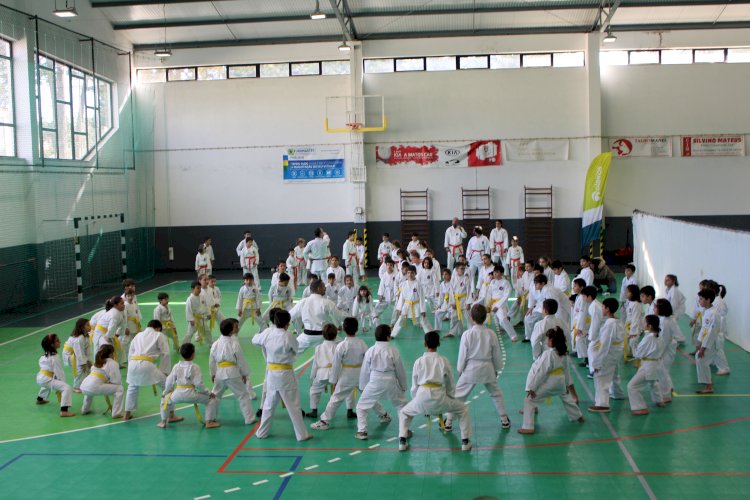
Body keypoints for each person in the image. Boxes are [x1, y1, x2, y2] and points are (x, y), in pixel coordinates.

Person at [399, 330, 472, 452]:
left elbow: (414, 386)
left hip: (421, 398)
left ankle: (402, 440)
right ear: (439, 344)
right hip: (441, 399)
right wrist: (450, 397)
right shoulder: (443, 361)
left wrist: (416, 400)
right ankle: (465, 441)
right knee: (463, 409)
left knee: (404, 413)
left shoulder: (418, 361)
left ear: (424, 344)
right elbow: (450, 383)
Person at [447, 304, 509, 431]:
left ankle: (448, 422)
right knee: (496, 394)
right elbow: (496, 353)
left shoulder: (467, 334)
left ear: (471, 318)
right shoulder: (491, 334)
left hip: (470, 369)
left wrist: (460, 369)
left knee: (458, 395)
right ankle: (504, 419)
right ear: (486, 317)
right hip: (487, 368)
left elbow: (463, 354)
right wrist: (496, 368)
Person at [253, 310, 312, 441]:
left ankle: (262, 432)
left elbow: (254, 340)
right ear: (287, 323)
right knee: (293, 406)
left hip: (272, 374)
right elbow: (296, 349)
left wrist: (262, 336)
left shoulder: (267, 333)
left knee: (269, 405)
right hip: (285, 374)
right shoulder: (288, 336)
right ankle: (302, 435)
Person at [311, 318, 374, 430]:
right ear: (357, 328)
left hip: (346, 375)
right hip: (360, 374)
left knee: (336, 398)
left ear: (344, 329)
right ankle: (384, 414)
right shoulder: (362, 343)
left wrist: (333, 380)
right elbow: (368, 360)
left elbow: (336, 365)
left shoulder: (342, 346)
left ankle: (324, 420)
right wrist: (368, 376)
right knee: (368, 395)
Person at [518, 327, 583, 435]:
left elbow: (540, 373)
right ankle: (578, 416)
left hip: (550, 382)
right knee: (566, 398)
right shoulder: (564, 354)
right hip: (561, 382)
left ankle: (528, 427)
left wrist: (531, 388)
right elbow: (566, 372)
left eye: (548, 339)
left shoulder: (548, 354)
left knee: (529, 400)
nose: (547, 341)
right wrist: (566, 385)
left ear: (554, 341)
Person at [355, 324, 406, 440]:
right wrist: (403, 386)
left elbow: (365, 371)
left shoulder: (370, 351)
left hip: (375, 381)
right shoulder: (394, 350)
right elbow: (400, 370)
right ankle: (404, 432)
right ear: (389, 337)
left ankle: (362, 431)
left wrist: (363, 386)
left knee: (361, 407)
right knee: (401, 406)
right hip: (391, 381)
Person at [160, 342, 220, 428]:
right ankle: (209, 422)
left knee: (164, 400)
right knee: (211, 400)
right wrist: (208, 393)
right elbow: (199, 384)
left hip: (177, 395)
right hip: (192, 395)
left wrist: (165, 393)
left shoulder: (176, 366)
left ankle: (163, 421)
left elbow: (169, 381)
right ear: (193, 354)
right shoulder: (195, 367)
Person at [210, 318, 257, 425]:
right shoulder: (234, 343)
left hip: (219, 373)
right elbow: (241, 359)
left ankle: (210, 418)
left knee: (215, 396)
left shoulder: (215, 343)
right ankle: (249, 418)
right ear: (231, 330)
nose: (238, 327)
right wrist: (244, 373)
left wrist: (212, 373)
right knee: (243, 395)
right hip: (232, 373)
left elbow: (211, 360)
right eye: (236, 326)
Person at [124, 320, 172, 421]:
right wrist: (164, 371)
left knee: (132, 388)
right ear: (158, 328)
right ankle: (171, 415)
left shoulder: (138, 335)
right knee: (167, 386)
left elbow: (130, 351)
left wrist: (131, 368)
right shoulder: (159, 335)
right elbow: (166, 353)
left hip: (133, 363)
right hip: (147, 364)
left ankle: (126, 414)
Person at [588, 298, 626, 413]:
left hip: (609, 354)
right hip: (616, 352)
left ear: (607, 309)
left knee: (601, 377)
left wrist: (597, 362)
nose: (602, 309)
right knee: (614, 373)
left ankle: (602, 404)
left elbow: (604, 345)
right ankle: (617, 393)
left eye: (603, 307)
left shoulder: (610, 325)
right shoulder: (618, 321)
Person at [289, 279, 346, 352]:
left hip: (307, 336)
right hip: (324, 336)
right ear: (319, 289)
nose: (325, 288)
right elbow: (340, 316)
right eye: (323, 286)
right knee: (343, 348)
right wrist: (351, 316)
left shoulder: (303, 302)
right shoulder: (327, 302)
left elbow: (289, 316)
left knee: (290, 353)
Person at [628, 315, 665, 415]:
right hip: (656, 364)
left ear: (649, 326)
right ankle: (659, 400)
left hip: (648, 366)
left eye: (644, 322)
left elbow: (638, 354)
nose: (643, 324)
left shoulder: (648, 338)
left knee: (632, 386)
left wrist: (633, 343)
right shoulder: (659, 336)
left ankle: (640, 407)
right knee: (653, 382)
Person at [36, 333, 75, 417]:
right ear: (52, 344)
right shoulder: (54, 357)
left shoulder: (45, 355)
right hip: (46, 378)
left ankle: (40, 399)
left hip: (40, 377)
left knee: (48, 384)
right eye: (57, 341)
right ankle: (64, 411)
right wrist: (62, 385)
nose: (60, 341)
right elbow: (59, 373)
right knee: (66, 388)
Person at [80, 344, 123, 418]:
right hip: (93, 387)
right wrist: (109, 383)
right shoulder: (112, 363)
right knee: (120, 389)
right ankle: (116, 413)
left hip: (84, 386)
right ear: (110, 353)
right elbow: (116, 381)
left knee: (90, 389)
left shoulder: (97, 361)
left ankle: (85, 409)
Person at [305, 324, 339, 419]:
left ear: (323, 335)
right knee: (345, 391)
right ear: (336, 335)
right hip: (335, 375)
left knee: (314, 390)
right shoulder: (338, 347)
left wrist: (312, 378)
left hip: (321, 374)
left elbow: (315, 365)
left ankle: (314, 410)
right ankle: (350, 409)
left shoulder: (318, 348)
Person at [392, 265, 433, 338]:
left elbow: (422, 298)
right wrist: (399, 308)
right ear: (406, 274)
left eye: (412, 273)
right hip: (406, 305)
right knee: (400, 320)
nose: (410, 275)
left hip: (416, 305)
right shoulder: (403, 284)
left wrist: (423, 309)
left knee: (423, 320)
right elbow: (401, 297)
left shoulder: (418, 284)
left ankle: (430, 334)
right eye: (408, 273)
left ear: (415, 273)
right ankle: (393, 334)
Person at [654, 299, 679, 402]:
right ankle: (669, 387)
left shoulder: (664, 322)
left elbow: (663, 341)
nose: (654, 309)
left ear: (661, 309)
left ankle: (666, 395)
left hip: (666, 350)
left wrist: (657, 354)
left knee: (662, 371)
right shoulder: (666, 319)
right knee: (664, 370)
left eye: (656, 307)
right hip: (668, 348)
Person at [694, 288, 719, 394]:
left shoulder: (713, 313)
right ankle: (708, 383)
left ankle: (709, 385)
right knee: (700, 359)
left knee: (702, 360)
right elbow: (704, 328)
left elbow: (710, 332)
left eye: (701, 299)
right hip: (705, 342)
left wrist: (703, 347)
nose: (699, 301)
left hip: (710, 343)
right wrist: (699, 342)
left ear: (708, 300)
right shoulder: (707, 311)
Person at [485, 264, 517, 342]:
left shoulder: (505, 283)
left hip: (501, 304)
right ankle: (483, 336)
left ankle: (513, 335)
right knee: (484, 319)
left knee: (503, 320)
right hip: (492, 303)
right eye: (494, 272)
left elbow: (506, 296)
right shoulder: (492, 282)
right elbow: (489, 294)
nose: (495, 274)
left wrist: (498, 306)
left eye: (497, 272)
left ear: (502, 273)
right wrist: (488, 305)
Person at [94, 296, 127, 365]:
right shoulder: (114, 314)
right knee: (101, 350)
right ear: (115, 305)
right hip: (100, 333)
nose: (124, 305)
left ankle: (115, 364)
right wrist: (109, 337)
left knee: (116, 349)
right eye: (121, 303)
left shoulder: (119, 312)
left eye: (123, 303)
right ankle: (99, 365)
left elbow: (122, 325)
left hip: (107, 333)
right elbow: (112, 327)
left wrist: (118, 334)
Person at [63, 318, 92, 392]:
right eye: (87, 325)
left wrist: (89, 360)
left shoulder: (86, 335)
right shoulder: (79, 338)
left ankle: (86, 383)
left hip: (77, 353)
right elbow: (79, 352)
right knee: (80, 368)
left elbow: (87, 350)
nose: (90, 326)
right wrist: (83, 363)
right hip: (70, 355)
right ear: (82, 327)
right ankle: (76, 387)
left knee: (88, 367)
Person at [582, 286, 603, 376]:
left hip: (599, 332)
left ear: (589, 297)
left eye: (584, 296)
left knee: (591, 349)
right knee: (592, 349)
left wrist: (591, 336)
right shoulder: (594, 305)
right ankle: (593, 367)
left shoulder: (594, 307)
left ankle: (594, 370)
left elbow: (595, 323)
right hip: (599, 331)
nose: (583, 298)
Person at [662, 274, 687, 343]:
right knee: (671, 322)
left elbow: (674, 304)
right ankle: (677, 336)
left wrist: (668, 312)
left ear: (673, 281)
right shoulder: (667, 290)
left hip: (678, 309)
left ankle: (680, 337)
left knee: (672, 321)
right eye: (665, 280)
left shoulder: (674, 291)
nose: (665, 281)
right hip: (672, 308)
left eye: (668, 280)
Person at [183, 281, 209, 345]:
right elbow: (188, 310)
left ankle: (210, 344)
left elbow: (205, 306)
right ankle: (184, 346)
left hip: (201, 318)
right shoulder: (190, 299)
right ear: (192, 289)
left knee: (207, 331)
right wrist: (191, 320)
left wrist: (208, 314)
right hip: (194, 319)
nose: (199, 290)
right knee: (189, 334)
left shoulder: (202, 296)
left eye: (200, 288)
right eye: (197, 288)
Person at [466, 226, 491, 291]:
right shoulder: (472, 239)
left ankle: (480, 289)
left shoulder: (485, 238)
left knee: (481, 275)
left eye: (475, 230)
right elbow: (469, 248)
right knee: (471, 275)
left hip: (481, 259)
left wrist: (486, 258)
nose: (474, 232)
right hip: (473, 259)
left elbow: (487, 249)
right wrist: (467, 257)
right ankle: (472, 290)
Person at [623, 284, 644, 361]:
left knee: (633, 341)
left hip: (635, 327)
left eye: (628, 292)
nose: (626, 293)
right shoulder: (630, 303)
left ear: (633, 293)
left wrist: (633, 332)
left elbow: (635, 319)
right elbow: (629, 317)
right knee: (628, 341)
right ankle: (632, 353)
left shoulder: (636, 304)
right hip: (629, 326)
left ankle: (637, 357)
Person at [571, 278, 590, 363]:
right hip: (578, 322)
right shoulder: (579, 297)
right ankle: (583, 355)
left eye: (575, 286)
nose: (573, 288)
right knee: (576, 338)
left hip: (584, 324)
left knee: (579, 339)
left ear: (581, 287)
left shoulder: (583, 298)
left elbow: (583, 313)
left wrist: (579, 327)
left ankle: (587, 359)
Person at [375, 257, 398, 322]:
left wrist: (398, 294)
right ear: (386, 266)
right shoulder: (384, 275)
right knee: (379, 305)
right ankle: (375, 315)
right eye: (388, 265)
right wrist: (380, 295)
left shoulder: (396, 274)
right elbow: (382, 285)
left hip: (394, 293)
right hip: (385, 293)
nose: (389, 266)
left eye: (391, 265)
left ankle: (394, 322)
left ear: (393, 266)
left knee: (397, 307)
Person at [207, 275, 225, 340]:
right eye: (212, 281)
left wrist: (217, 303)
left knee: (222, 320)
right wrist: (213, 304)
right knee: (202, 322)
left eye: (215, 281)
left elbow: (219, 296)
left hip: (216, 309)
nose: (214, 283)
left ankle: (224, 333)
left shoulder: (217, 288)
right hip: (207, 311)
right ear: (208, 281)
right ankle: (197, 335)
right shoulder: (205, 290)